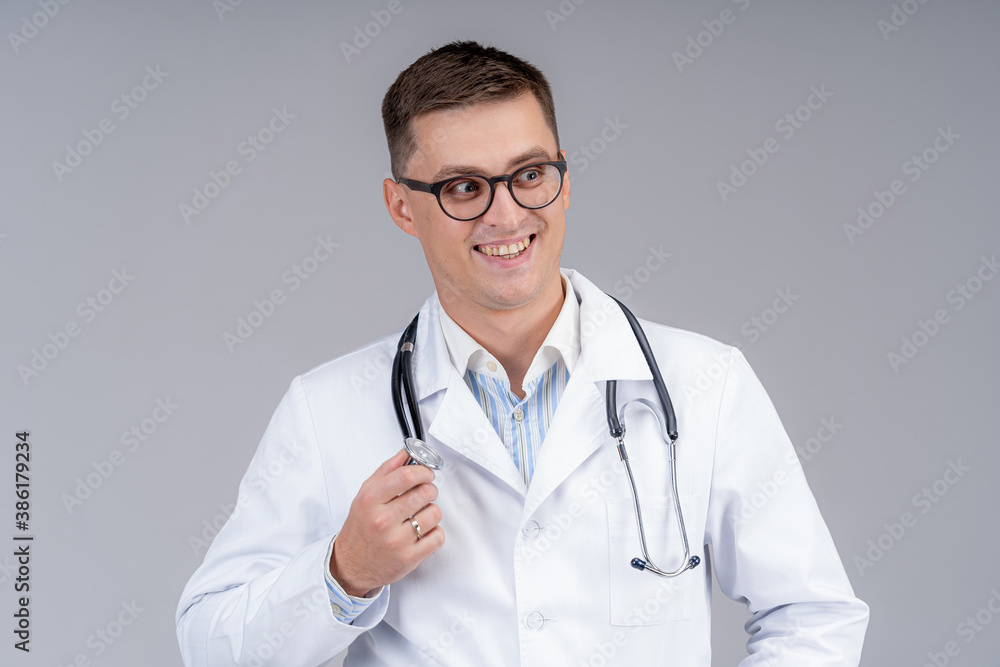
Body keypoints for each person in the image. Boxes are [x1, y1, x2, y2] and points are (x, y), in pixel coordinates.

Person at [176, 41, 869, 666]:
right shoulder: (326, 411)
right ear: (401, 206)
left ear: (564, 179)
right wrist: (343, 571)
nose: (506, 215)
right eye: (464, 187)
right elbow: (211, 643)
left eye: (529, 174)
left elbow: (814, 617)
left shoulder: (705, 383)